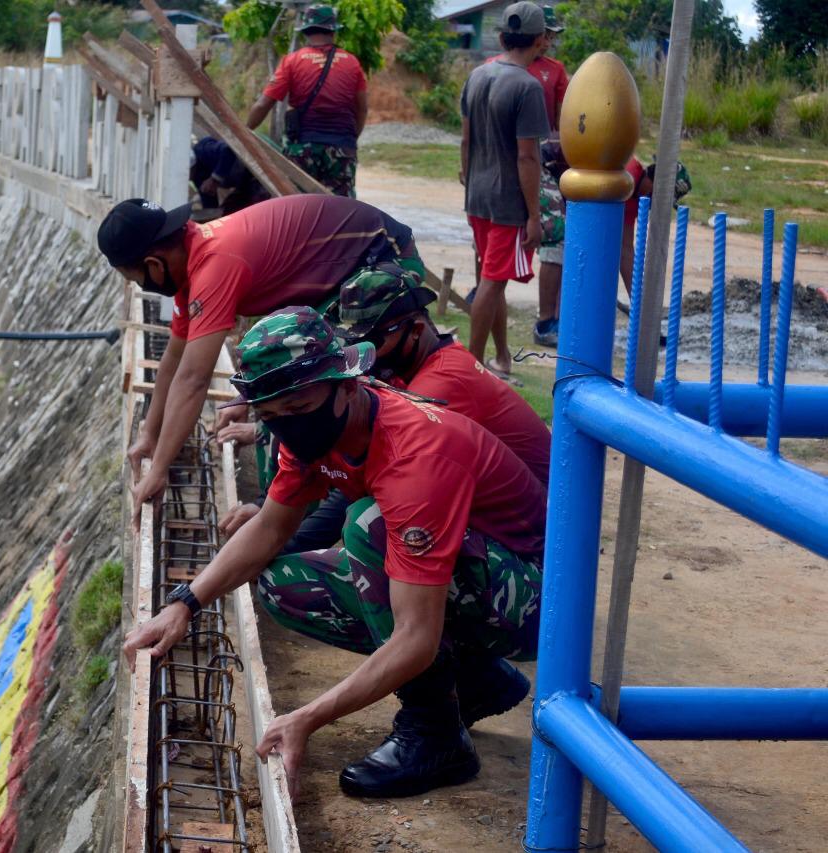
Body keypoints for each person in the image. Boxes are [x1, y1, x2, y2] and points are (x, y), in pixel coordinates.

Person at [125, 307, 547, 798]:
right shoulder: (310, 431)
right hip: (474, 576)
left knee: (368, 526)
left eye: (298, 409)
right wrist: (184, 604)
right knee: (283, 585)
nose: (288, 426)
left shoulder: (415, 455)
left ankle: (436, 735)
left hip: (535, 602)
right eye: (271, 415)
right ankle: (479, 680)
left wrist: (307, 718)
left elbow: (416, 635)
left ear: (347, 385)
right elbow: (269, 528)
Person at [96, 194, 421, 510]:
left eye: (136, 279)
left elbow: (194, 379)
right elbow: (175, 359)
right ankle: (289, 506)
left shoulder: (215, 263)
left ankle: (333, 502)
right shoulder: (191, 260)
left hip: (381, 262)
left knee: (317, 393)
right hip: (340, 280)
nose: (141, 287)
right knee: (277, 396)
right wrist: (150, 435)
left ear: (153, 263)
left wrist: (158, 470)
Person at [218, 265, 550, 547]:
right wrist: (269, 514)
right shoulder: (418, 366)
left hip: (522, 534)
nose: (364, 350)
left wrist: (284, 545)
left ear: (416, 330)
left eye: (373, 340)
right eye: (352, 340)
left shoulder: (440, 384)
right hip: (483, 510)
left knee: (366, 521)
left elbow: (362, 483)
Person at [460, 2, 551, 375]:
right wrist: (534, 215)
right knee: (493, 283)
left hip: (478, 196)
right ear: (541, 40)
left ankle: (500, 357)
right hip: (507, 202)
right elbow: (527, 158)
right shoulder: (528, 88)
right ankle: (472, 367)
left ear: (501, 36)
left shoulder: (478, 76)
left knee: (489, 279)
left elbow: (465, 141)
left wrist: (469, 181)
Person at [484, 5, 569, 347]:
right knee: (500, 245)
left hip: (535, 162)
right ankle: (531, 319)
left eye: (551, 35)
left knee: (551, 241)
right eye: (545, 33)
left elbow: (563, 125)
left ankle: (545, 319)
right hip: (516, 162)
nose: (548, 41)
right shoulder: (500, 69)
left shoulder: (555, 72)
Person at [245, 5, 368, 197]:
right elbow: (362, 110)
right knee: (341, 211)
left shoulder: (292, 61)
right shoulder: (352, 63)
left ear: (305, 31)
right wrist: (349, 142)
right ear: (333, 31)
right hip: (342, 148)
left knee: (298, 209)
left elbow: (263, 105)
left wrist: (243, 132)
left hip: (303, 149)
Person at [620, 157, 692, 293]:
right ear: (657, 184)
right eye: (662, 198)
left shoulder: (635, 202)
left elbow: (626, 250)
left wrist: (638, 301)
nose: (657, 204)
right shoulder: (628, 174)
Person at [190, 136, 269, 214]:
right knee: (228, 211)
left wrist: (215, 179)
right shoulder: (196, 176)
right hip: (243, 185)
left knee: (258, 208)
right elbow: (209, 200)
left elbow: (228, 150)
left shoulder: (204, 150)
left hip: (258, 174)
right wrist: (209, 216)